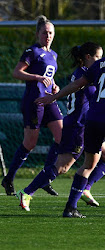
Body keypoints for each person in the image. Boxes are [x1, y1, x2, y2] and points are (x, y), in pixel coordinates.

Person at [35, 21, 105, 218]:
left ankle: (70, 207)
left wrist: (52, 97)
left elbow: (77, 84)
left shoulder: (101, 63)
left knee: (88, 164)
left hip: (92, 120)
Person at [16, 42, 105, 211]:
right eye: (98, 57)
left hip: (87, 126)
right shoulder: (85, 75)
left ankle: (85, 189)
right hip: (78, 127)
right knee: (62, 167)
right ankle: (27, 192)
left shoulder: (85, 73)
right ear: (87, 57)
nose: (100, 61)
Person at [1, 15, 62, 196]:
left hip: (49, 100)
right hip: (34, 101)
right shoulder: (32, 51)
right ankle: (8, 178)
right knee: (30, 143)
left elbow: (48, 77)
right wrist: (37, 77)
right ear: (38, 34)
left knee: (61, 136)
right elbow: (17, 72)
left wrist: (54, 85)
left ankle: (45, 178)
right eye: (44, 33)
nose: (48, 36)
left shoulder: (54, 55)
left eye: (51, 33)